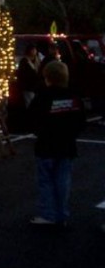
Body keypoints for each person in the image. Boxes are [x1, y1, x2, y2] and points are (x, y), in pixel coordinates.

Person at [27, 60, 86, 226]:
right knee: (63, 181)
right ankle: (62, 214)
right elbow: (81, 121)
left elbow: (31, 119)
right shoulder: (74, 97)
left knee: (46, 182)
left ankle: (48, 214)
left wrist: (40, 133)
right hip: (67, 146)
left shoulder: (42, 97)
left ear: (47, 77)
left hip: (46, 145)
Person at [16, 43, 41, 107]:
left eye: (35, 50)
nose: (35, 51)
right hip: (28, 87)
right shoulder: (24, 61)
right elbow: (22, 74)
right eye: (33, 50)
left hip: (36, 86)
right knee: (30, 103)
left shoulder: (38, 60)